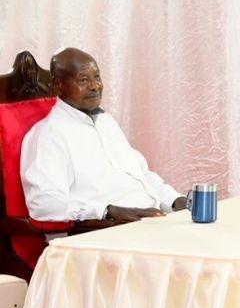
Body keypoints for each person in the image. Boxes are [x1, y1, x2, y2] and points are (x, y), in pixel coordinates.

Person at [20, 48, 187, 222]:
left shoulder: (105, 121)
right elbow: (44, 204)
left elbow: (141, 175)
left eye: (97, 77)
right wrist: (107, 211)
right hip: (102, 232)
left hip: (151, 220)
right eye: (83, 80)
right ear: (57, 85)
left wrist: (175, 200)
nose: (94, 86)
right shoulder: (48, 135)